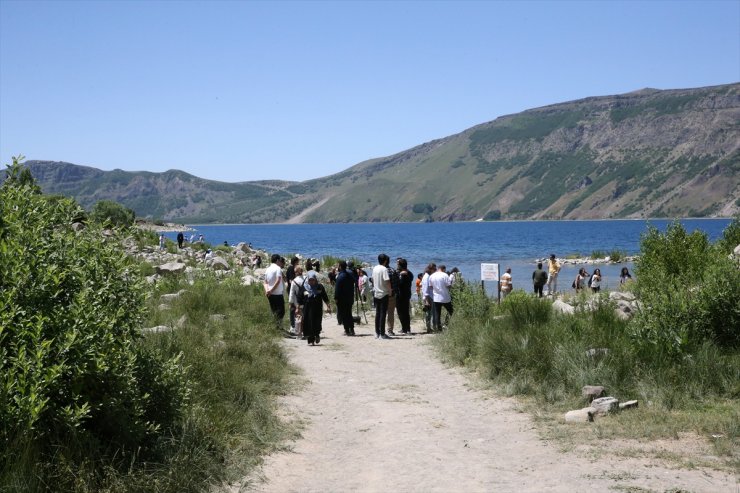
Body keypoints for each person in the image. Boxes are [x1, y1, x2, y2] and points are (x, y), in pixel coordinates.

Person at [298, 271, 330, 346]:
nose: (311, 282)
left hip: (317, 309)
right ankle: (311, 339)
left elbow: (325, 297)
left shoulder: (320, 287)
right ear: (308, 280)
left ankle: (317, 335)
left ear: (315, 280)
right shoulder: (304, 287)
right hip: (307, 309)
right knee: (308, 323)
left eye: (313, 280)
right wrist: (298, 308)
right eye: (310, 280)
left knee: (317, 322)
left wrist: (328, 305)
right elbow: (300, 298)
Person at [264, 254, 287, 333]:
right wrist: (271, 290)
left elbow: (265, 282)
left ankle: (276, 327)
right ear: (277, 260)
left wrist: (267, 291)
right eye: (279, 260)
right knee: (281, 311)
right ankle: (278, 327)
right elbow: (278, 280)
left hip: (270, 294)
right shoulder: (278, 268)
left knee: (274, 311)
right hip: (277, 293)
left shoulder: (268, 269)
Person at [372, 253, 392, 339]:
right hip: (383, 293)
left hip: (376, 293)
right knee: (383, 314)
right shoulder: (384, 269)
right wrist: (390, 290)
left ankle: (377, 332)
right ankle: (382, 334)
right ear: (385, 261)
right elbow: (387, 280)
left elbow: (372, 279)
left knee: (377, 313)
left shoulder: (375, 268)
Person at [334, 260, 356, 336]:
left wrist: (336, 298)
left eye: (338, 266)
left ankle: (347, 330)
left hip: (342, 299)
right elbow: (355, 283)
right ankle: (352, 329)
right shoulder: (350, 275)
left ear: (340, 266)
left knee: (344, 315)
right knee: (349, 314)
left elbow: (337, 289)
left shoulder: (340, 276)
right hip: (349, 298)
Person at [429, 264, 453, 331]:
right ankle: (448, 324)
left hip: (436, 297)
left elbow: (430, 286)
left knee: (437, 314)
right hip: (445, 297)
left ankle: (439, 329)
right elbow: (448, 285)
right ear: (443, 269)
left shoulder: (432, 276)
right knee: (451, 311)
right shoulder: (445, 275)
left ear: (438, 268)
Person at [396, 258, 413, 334]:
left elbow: (399, 283)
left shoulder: (401, 274)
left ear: (400, 265)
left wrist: (399, 275)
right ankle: (407, 329)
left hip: (400, 295)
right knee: (406, 312)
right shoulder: (410, 273)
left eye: (398, 264)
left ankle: (405, 329)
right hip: (407, 294)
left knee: (401, 312)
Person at [288, 266, 305, 337]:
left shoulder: (294, 281)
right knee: (304, 316)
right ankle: (304, 330)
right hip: (305, 301)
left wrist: (290, 302)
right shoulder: (306, 279)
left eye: (295, 272)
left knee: (297, 317)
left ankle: (297, 331)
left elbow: (291, 293)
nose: (294, 273)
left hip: (296, 302)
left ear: (297, 272)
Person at [385, 260, 400, 336]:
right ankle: (390, 330)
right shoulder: (393, 270)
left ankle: (380, 330)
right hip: (392, 294)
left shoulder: (379, 270)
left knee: (381, 312)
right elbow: (397, 282)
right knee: (390, 313)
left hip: (381, 294)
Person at [286, 257, 301, 330]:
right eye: (298, 262)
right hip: (292, 290)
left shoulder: (289, 268)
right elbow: (291, 280)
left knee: (295, 307)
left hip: (292, 290)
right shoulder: (292, 269)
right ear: (295, 262)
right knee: (293, 307)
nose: (298, 263)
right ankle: (293, 325)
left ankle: (295, 324)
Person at [421, 263, 436, 332]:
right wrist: (426, 300)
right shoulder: (427, 277)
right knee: (429, 313)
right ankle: (429, 328)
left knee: (429, 313)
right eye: (434, 269)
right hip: (428, 297)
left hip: (429, 296)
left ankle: (429, 327)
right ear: (431, 269)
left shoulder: (427, 276)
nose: (435, 270)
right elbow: (425, 289)